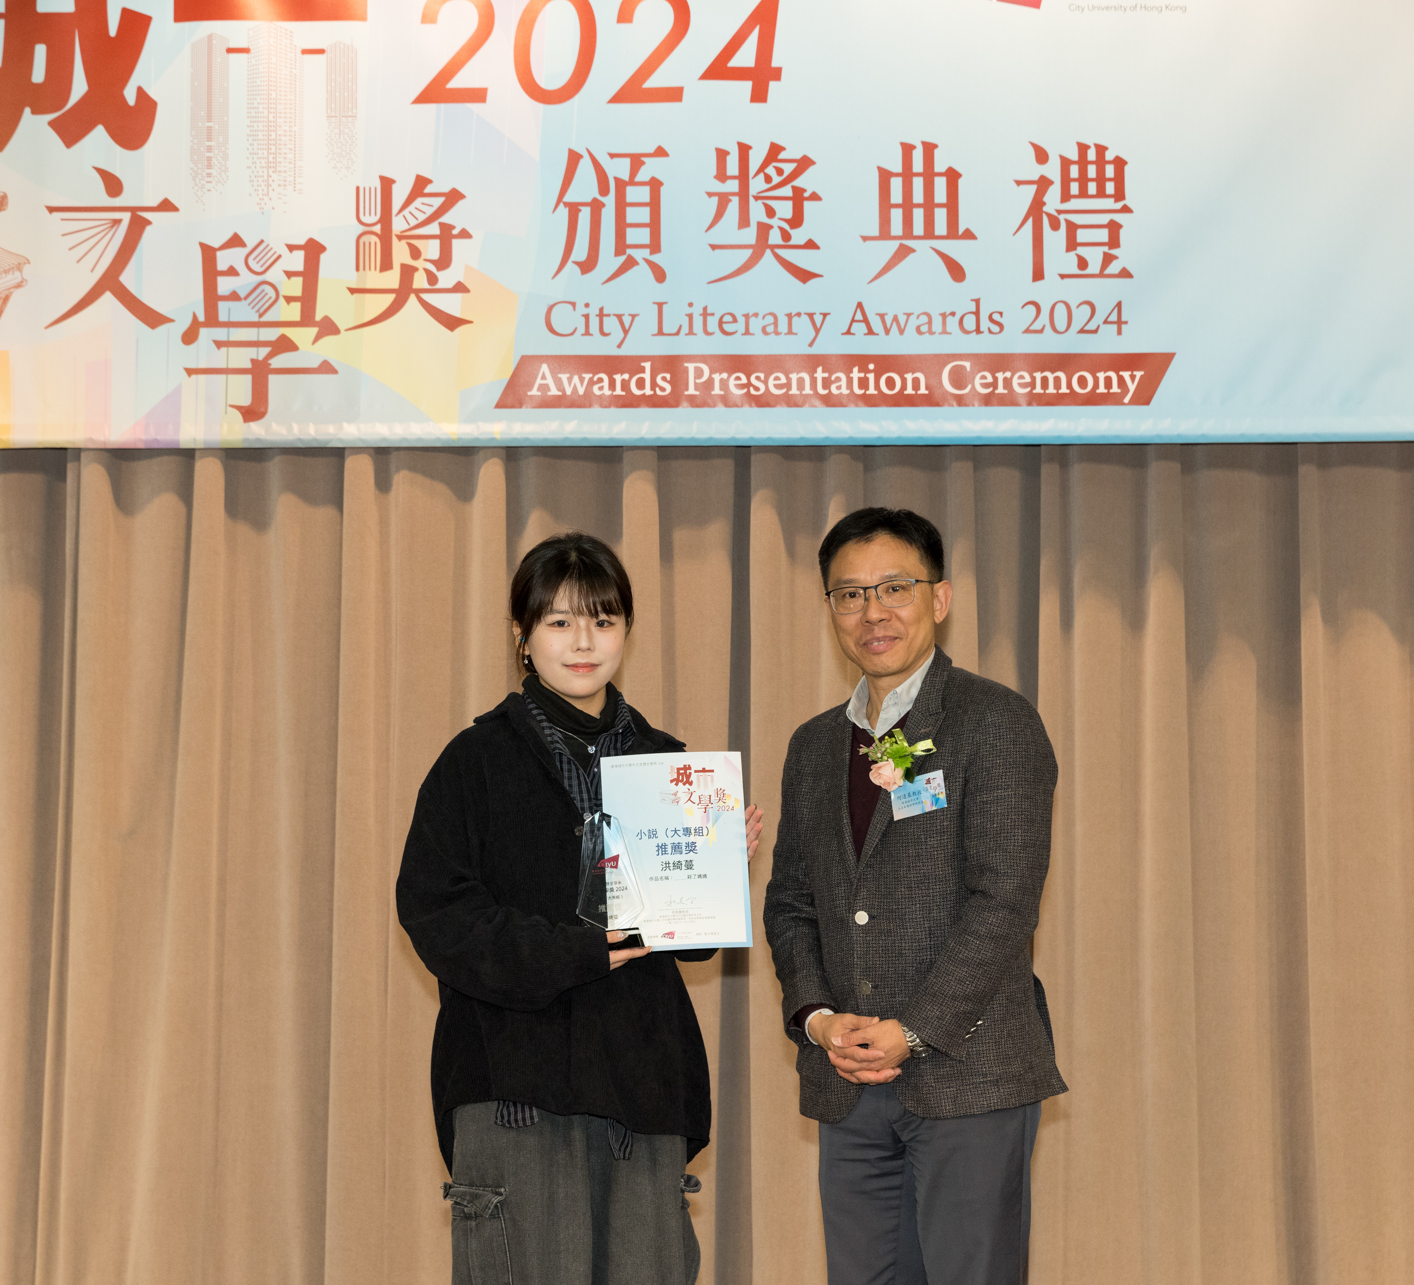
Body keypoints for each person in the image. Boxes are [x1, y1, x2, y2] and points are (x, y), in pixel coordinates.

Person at [397, 531, 763, 1285]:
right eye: (560, 621)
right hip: (513, 1083)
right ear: (522, 634)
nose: (584, 641)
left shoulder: (669, 763)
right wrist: (578, 950)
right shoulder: (475, 760)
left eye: (603, 620)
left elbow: (691, 942)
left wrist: (714, 873)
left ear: (627, 629)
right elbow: (438, 914)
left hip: (640, 1083)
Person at [763, 506, 1065, 1285]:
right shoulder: (813, 745)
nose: (873, 612)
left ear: (940, 598)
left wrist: (914, 1031)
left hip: (969, 1074)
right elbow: (792, 900)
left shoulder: (995, 721)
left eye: (895, 587)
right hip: (848, 1080)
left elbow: (1004, 900)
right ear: (830, 609)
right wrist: (818, 1018)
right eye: (849, 594)